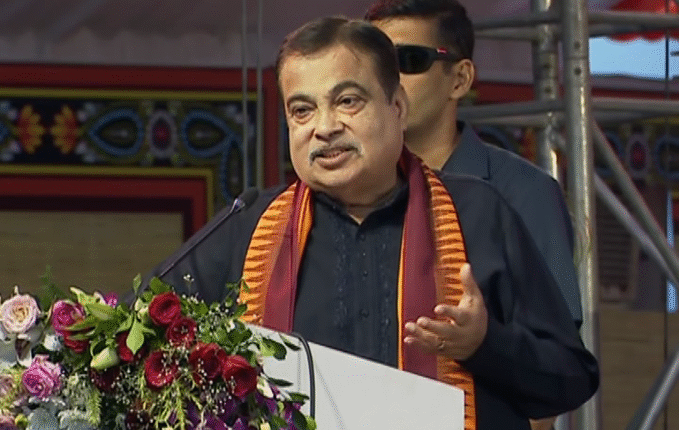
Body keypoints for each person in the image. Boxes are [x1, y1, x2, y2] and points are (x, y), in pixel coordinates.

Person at [150, 16, 598, 430]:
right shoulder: (249, 227)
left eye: (347, 101)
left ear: (396, 106)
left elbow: (572, 379)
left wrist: (483, 345)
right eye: (302, 110)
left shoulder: (478, 214)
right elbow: (138, 334)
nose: (324, 127)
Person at [364, 0, 582, 329]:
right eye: (375, 64)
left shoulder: (525, 192)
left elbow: (557, 346)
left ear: (460, 79)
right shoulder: (348, 189)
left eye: (408, 60)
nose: (386, 81)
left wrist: (481, 341)